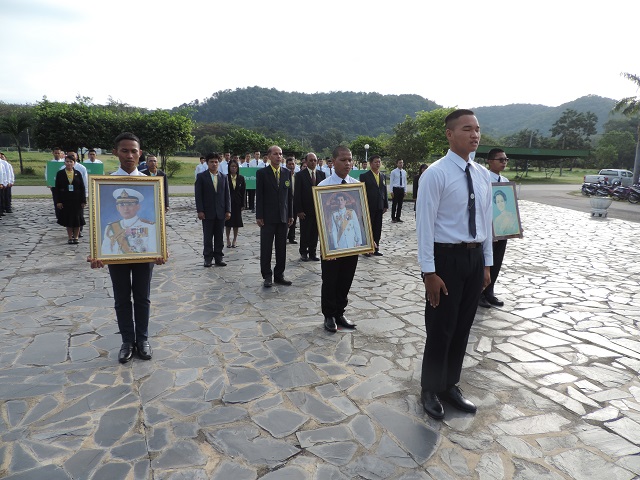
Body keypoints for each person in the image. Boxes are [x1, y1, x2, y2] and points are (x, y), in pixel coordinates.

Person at [416, 109, 493, 420]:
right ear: (449, 134)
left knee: (462, 326)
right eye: (467, 129)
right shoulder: (436, 174)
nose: (475, 135)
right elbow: (424, 225)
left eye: (477, 129)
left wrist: (486, 264)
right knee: (441, 327)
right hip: (445, 258)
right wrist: (429, 272)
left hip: (474, 258)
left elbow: (486, 220)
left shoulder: (483, 174)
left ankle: (450, 384)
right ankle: (430, 388)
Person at [87, 132, 166, 364]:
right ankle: (127, 341)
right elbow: (98, 227)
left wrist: (161, 249)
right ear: (115, 152)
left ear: (140, 153)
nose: (129, 155)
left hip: (145, 256)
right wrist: (97, 253)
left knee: (142, 298)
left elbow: (159, 219)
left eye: (134, 151)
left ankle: (143, 339)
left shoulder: (150, 183)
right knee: (121, 299)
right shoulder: (103, 183)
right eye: (124, 150)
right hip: (116, 258)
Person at [318, 146, 360, 333]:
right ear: (333, 162)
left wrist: (366, 239)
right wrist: (327, 245)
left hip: (351, 244)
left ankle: (340, 313)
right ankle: (329, 314)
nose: (347, 163)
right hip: (332, 244)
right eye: (343, 160)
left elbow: (360, 219)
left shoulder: (356, 186)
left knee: (346, 279)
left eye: (350, 160)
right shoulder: (323, 187)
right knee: (330, 279)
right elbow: (321, 220)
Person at [255, 145, 294, 287]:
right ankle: (267, 276)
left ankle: (279, 275)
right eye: (276, 154)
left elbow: (289, 196)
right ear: (269, 156)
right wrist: (259, 215)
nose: (279, 156)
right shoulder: (262, 173)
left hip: (283, 217)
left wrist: (290, 214)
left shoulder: (286, 173)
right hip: (267, 217)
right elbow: (259, 196)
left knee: (281, 247)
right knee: (266, 248)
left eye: (280, 154)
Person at [479, 149, 511, 309]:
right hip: (487, 229)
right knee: (485, 261)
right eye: (500, 159)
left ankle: (489, 292)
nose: (504, 162)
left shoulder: (505, 180)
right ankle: (479, 293)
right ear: (490, 161)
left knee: (497, 261)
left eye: (506, 159)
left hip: (502, 229)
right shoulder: (483, 178)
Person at [195, 153, 231, 267]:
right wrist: (200, 210)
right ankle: (208, 258)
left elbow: (227, 195)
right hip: (207, 212)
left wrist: (228, 210)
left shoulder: (223, 177)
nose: (214, 164)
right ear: (207, 163)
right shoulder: (201, 176)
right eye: (211, 162)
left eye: (216, 162)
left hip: (220, 212)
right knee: (208, 236)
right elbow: (198, 195)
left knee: (219, 236)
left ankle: (219, 257)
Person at [101, 188, 157, 255]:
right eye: (122, 205)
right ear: (117, 208)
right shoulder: (111, 227)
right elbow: (105, 252)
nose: (126, 208)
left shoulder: (150, 227)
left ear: (138, 207)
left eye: (130, 204)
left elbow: (154, 251)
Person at [294, 152, 325, 261]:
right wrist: (299, 210)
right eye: (310, 160)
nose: (313, 162)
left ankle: (313, 252)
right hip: (305, 210)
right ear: (306, 162)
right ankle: (303, 252)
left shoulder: (321, 174)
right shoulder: (300, 175)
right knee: (305, 232)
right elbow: (297, 194)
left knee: (315, 233)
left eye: (315, 160)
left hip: (317, 210)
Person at [360, 154, 388, 256]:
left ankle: (376, 248)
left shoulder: (382, 176)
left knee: (377, 227)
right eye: (375, 162)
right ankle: (366, 249)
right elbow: (362, 191)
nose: (378, 164)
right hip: (369, 206)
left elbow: (384, 191)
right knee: (368, 227)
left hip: (379, 206)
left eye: (379, 162)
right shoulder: (364, 176)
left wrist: (385, 204)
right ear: (370, 164)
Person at [55, 155, 86, 244]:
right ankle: (70, 237)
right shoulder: (60, 173)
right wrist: (58, 201)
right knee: (68, 219)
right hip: (66, 200)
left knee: (77, 219)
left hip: (77, 200)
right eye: (67, 161)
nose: (69, 163)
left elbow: (82, 187)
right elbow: (57, 188)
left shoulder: (78, 173)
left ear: (74, 163)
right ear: (64, 162)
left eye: (71, 162)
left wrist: (83, 201)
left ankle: (76, 237)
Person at [225, 158, 245, 248]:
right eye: (232, 166)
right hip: (228, 203)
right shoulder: (225, 177)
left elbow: (243, 192)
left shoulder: (241, 178)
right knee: (228, 222)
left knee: (236, 222)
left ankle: (235, 240)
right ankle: (228, 239)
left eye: (235, 166)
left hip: (237, 203)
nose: (234, 168)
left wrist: (243, 204)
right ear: (229, 167)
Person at [46, 147, 66, 218]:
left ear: (61, 153)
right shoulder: (50, 163)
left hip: (64, 185)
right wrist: (49, 182)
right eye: (56, 153)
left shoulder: (64, 163)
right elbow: (47, 173)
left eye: (58, 153)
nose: (57, 154)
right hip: (54, 185)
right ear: (53, 153)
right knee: (56, 199)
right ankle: (58, 215)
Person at [286, 157, 298, 244]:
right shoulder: (284, 175)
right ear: (286, 165)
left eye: (293, 164)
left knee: (294, 219)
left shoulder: (297, 176)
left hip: (295, 200)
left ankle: (291, 237)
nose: (291, 166)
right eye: (289, 164)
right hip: (286, 201)